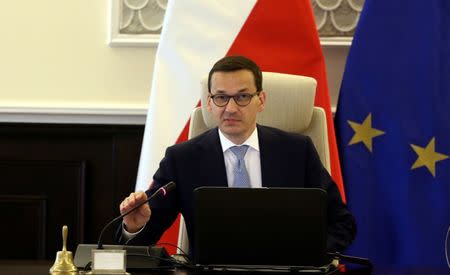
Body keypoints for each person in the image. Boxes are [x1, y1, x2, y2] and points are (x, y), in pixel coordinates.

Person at [117, 55, 356, 255]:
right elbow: (143, 235)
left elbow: (341, 223)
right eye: (221, 97)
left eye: (242, 97)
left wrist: (308, 259)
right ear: (209, 103)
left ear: (260, 100)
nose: (230, 109)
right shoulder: (182, 159)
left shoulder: (296, 151)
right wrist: (133, 227)